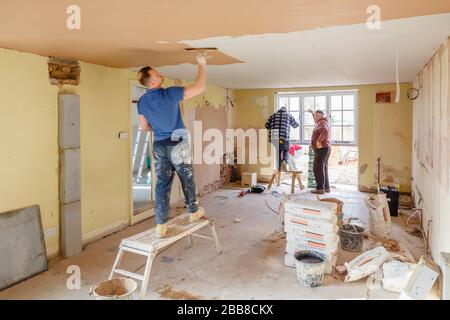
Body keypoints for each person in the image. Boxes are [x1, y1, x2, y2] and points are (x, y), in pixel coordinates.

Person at [136, 53, 209, 238]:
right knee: (187, 177)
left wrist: (159, 128)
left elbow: (143, 128)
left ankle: (161, 225)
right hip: (178, 142)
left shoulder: (142, 102)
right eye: (157, 74)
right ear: (152, 83)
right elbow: (199, 87)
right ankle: (193, 212)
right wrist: (201, 64)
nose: (161, 74)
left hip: (159, 145)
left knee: (162, 184)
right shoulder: (169, 93)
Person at [265, 107, 299, 171]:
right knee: (286, 149)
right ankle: (284, 161)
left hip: (274, 138)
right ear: (285, 110)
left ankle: (279, 166)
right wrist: (298, 120)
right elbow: (295, 125)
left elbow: (266, 126)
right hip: (283, 138)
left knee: (278, 150)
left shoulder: (273, 115)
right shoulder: (289, 115)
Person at [310, 110, 331, 194]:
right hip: (325, 148)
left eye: (317, 115)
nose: (315, 117)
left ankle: (320, 188)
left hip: (321, 148)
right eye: (314, 116)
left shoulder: (321, 122)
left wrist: (318, 141)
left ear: (321, 115)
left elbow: (325, 131)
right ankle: (326, 187)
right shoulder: (321, 121)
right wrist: (312, 113)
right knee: (323, 167)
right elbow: (317, 122)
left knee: (317, 168)